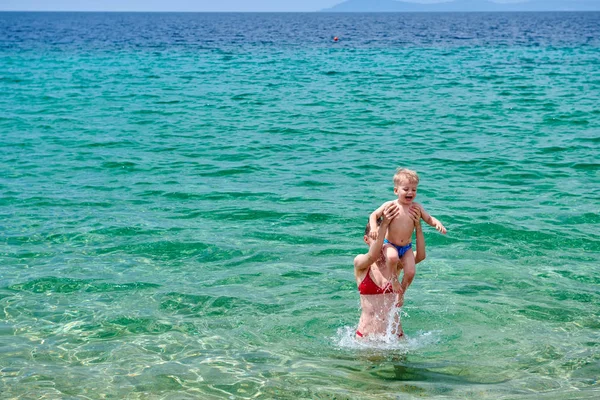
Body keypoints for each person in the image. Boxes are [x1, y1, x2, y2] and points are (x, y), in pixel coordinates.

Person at [368, 168, 446, 307]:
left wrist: (437, 223)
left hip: (407, 247)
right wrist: (374, 228)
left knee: (410, 272)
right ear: (396, 191)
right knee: (392, 258)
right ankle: (393, 280)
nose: (410, 192)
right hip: (390, 243)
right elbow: (373, 215)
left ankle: (401, 293)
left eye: (414, 189)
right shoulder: (390, 205)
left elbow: (429, 218)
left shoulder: (417, 207)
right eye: (406, 189)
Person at [354, 202, 426, 340]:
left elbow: (421, 256)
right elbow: (372, 256)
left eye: (386, 239)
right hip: (366, 337)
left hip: (395, 338)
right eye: (377, 238)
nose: (382, 244)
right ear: (366, 239)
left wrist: (418, 227)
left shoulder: (396, 264)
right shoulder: (361, 264)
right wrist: (385, 223)